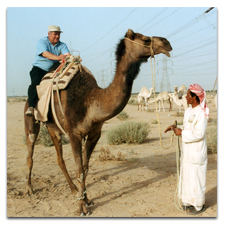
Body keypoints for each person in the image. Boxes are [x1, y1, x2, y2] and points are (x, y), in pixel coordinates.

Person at [164, 84, 209, 215]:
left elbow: (199, 133)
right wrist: (175, 127)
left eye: (189, 95)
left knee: (197, 178)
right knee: (187, 176)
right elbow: (188, 127)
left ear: (195, 97)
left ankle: (199, 205)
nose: (186, 97)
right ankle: (188, 202)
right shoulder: (188, 111)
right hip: (187, 151)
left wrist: (182, 133)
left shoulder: (201, 113)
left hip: (196, 151)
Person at [26, 25, 71, 116]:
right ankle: (31, 107)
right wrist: (59, 57)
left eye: (58, 34)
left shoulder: (62, 45)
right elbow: (45, 54)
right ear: (49, 34)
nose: (57, 36)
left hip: (55, 70)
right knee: (35, 84)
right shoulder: (42, 42)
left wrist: (65, 57)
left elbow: (68, 55)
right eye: (55, 34)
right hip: (40, 69)